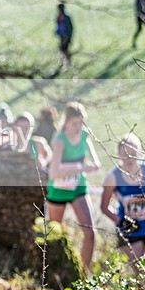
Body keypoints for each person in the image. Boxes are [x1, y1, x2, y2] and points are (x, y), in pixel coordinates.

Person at [100, 134, 145, 283]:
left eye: (132, 151)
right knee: (141, 278)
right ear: (118, 154)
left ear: (138, 151)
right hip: (130, 230)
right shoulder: (113, 177)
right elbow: (103, 207)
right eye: (125, 152)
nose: (129, 156)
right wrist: (119, 221)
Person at [46, 102, 101, 276]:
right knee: (55, 235)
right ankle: (54, 273)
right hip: (58, 190)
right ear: (66, 122)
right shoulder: (60, 139)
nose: (78, 127)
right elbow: (53, 172)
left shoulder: (85, 135)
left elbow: (95, 160)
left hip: (78, 188)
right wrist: (81, 168)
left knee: (90, 233)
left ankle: (83, 274)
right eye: (74, 123)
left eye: (81, 123)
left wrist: (93, 165)